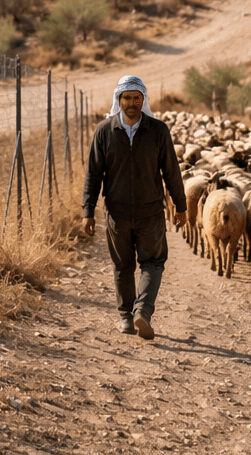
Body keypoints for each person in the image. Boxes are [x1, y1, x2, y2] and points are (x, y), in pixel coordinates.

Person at [81, 74, 187, 340]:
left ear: (143, 100)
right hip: (117, 213)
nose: (131, 103)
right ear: (118, 100)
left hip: (150, 212)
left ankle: (138, 313)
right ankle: (130, 316)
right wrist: (87, 211)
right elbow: (94, 174)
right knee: (124, 265)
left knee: (153, 262)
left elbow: (171, 171)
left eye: (136, 98)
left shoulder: (158, 131)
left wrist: (181, 205)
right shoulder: (105, 131)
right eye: (126, 97)